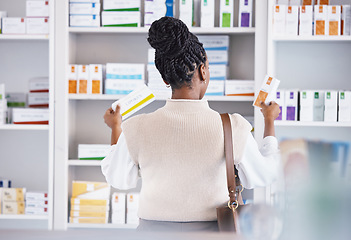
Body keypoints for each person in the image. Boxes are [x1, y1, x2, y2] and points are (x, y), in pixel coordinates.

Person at [101, 16, 281, 232]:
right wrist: (269, 120)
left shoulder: (135, 127)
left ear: (165, 80)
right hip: (214, 234)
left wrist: (116, 129)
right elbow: (265, 173)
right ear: (203, 71)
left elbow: (118, 178)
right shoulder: (233, 126)